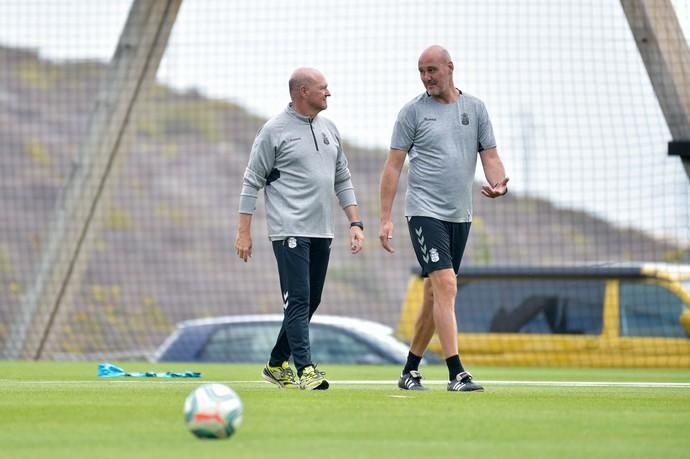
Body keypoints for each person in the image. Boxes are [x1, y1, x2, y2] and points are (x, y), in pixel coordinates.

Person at [379, 45, 509, 392]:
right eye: (421, 71)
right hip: (424, 212)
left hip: (460, 216)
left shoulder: (476, 108)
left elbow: (490, 155)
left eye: (432, 70)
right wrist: (385, 219)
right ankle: (457, 373)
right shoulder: (412, 113)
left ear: (450, 68)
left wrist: (498, 183)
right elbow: (393, 167)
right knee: (447, 286)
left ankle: (410, 370)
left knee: (435, 296)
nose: (426, 77)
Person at [236, 67, 364, 391]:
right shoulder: (273, 131)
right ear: (303, 91)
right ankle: (305, 368)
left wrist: (355, 222)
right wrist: (244, 231)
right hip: (289, 229)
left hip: (323, 230)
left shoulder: (330, 130)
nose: (329, 93)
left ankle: (277, 363)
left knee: (312, 299)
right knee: (299, 300)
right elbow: (252, 181)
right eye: (323, 88)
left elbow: (342, 179)